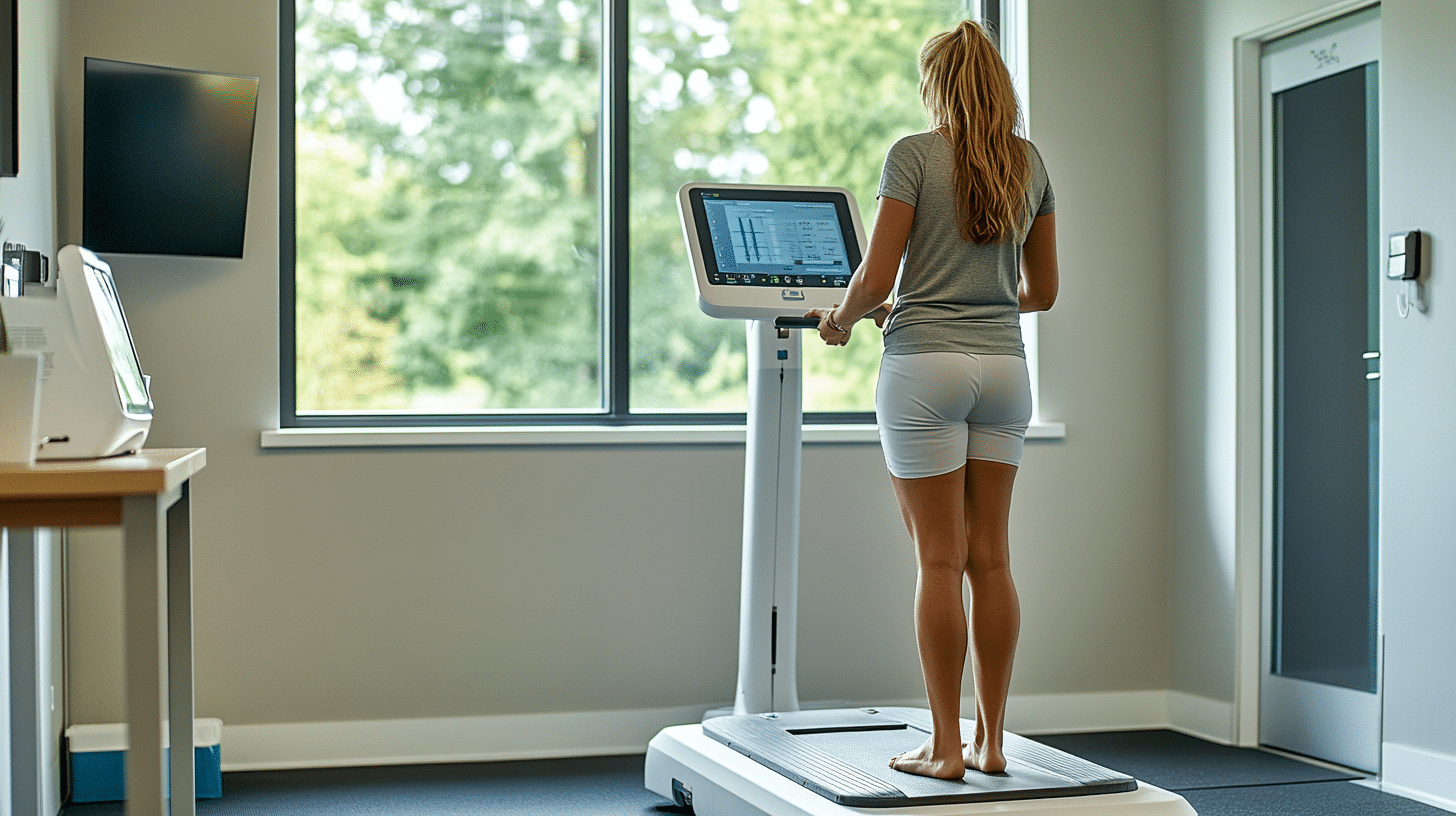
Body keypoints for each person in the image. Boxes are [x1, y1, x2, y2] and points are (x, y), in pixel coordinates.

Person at [806, 19, 1058, 782]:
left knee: (938, 560)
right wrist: (976, 299)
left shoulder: (914, 155)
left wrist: (843, 320)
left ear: (936, 84)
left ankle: (945, 749)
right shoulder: (1029, 162)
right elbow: (1040, 293)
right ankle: (991, 743)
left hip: (923, 368)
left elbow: (877, 279)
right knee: (993, 559)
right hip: (1006, 371)